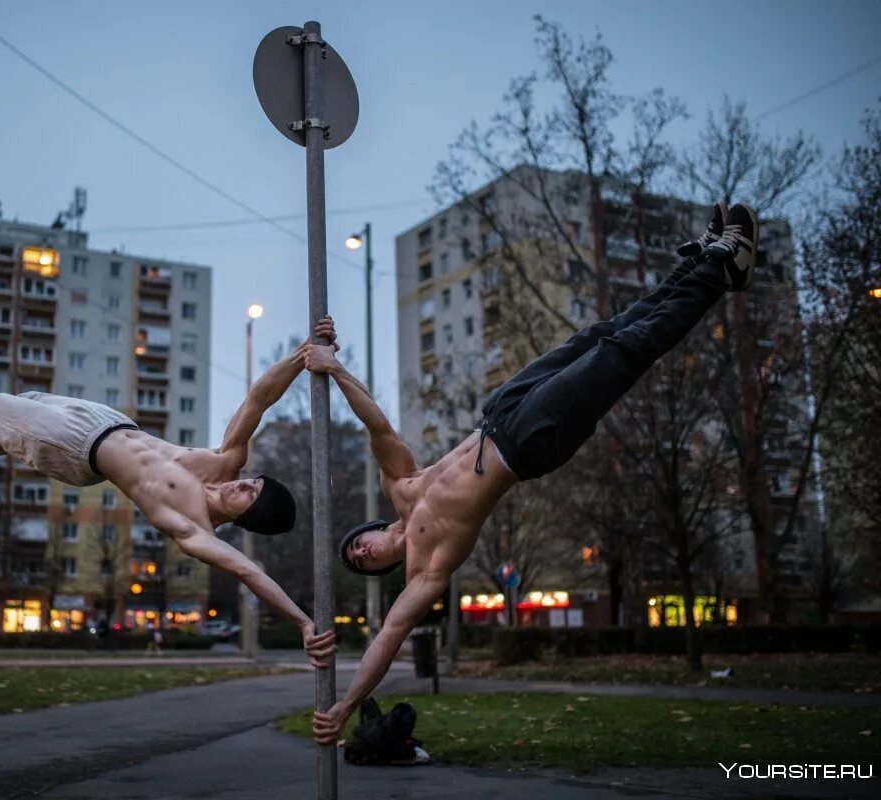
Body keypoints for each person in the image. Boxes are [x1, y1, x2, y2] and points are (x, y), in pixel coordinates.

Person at [308, 203, 758, 744]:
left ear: (369, 530)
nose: (359, 554)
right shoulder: (427, 568)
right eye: (358, 564)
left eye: (354, 546)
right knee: (623, 351)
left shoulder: (402, 486)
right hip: (527, 444)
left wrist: (334, 366)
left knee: (601, 333)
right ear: (379, 567)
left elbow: (376, 424)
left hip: (501, 411)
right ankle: (721, 267)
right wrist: (345, 705)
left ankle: (695, 266)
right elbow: (389, 639)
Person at [0, 340, 336, 668]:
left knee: (1, 409)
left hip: (80, 451)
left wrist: (302, 623)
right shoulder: (223, 464)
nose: (243, 484)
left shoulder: (194, 529)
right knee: (28, 400)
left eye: (250, 495)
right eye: (252, 481)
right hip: (109, 421)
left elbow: (248, 571)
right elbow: (258, 399)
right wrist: (303, 356)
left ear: (248, 516)